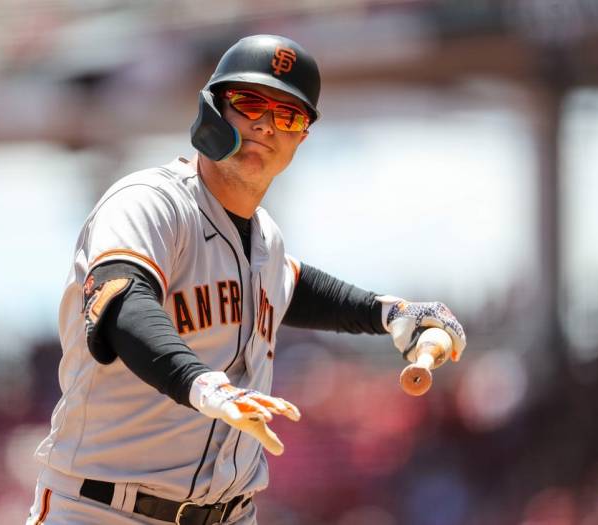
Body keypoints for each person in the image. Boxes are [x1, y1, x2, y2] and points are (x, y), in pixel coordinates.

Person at [26, 34, 466, 525]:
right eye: (250, 102)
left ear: (302, 136)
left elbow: (288, 286)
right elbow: (120, 302)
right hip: (101, 509)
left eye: (288, 115)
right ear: (214, 109)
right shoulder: (149, 203)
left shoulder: (265, 239)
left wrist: (390, 313)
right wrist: (201, 384)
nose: (265, 124)